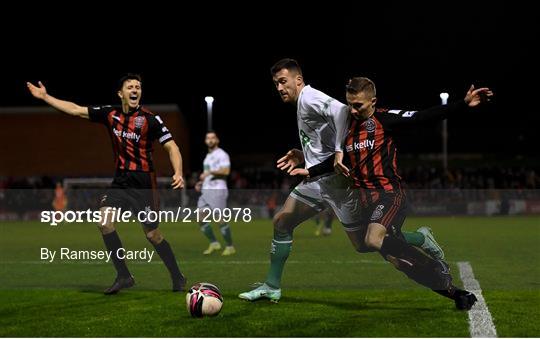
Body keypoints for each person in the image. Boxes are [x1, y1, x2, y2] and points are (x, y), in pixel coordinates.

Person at [238, 59, 441, 303]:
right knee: (282, 221)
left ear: (298, 80)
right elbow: (324, 136)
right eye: (276, 84)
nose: (280, 87)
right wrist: (304, 155)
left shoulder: (309, 97)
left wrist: (338, 152)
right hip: (316, 181)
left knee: (364, 245)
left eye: (283, 81)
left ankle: (420, 238)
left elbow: (341, 112)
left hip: (338, 184)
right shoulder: (304, 103)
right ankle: (271, 286)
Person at [333, 77, 493, 309]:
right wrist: (306, 164)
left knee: (371, 239)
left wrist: (462, 103)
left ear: (373, 101)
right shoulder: (345, 128)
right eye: (349, 104)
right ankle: (454, 291)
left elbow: (422, 117)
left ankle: (431, 260)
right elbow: (333, 161)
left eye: (358, 105)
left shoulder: (385, 119)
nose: (353, 110)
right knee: (401, 262)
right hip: (366, 204)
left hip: (389, 195)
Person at [27, 74, 187, 294]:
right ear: (120, 93)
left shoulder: (150, 119)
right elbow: (75, 109)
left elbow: (172, 147)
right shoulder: (110, 113)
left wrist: (178, 171)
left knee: (152, 235)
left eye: (138, 87)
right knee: (104, 222)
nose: (135, 90)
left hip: (143, 183)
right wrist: (46, 97)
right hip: (121, 181)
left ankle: (177, 276)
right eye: (130, 87)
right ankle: (124, 275)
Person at [195, 131, 236, 256]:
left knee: (219, 219)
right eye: (208, 138)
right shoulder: (208, 157)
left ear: (217, 140)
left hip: (217, 190)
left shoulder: (222, 154)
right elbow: (208, 174)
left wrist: (210, 173)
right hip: (206, 191)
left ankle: (230, 246)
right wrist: (201, 183)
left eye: (213, 138)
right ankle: (214, 243)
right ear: (206, 141)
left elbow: (226, 171)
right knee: (200, 217)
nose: (210, 140)